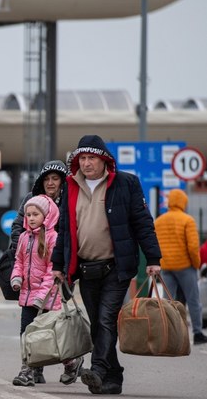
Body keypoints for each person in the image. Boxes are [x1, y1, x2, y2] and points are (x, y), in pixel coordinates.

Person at [51, 134, 161, 396]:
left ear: (104, 160)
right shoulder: (71, 186)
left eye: (92, 158)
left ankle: (98, 369)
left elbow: (143, 223)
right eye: (82, 158)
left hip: (116, 266)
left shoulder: (126, 184)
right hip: (87, 268)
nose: (87, 163)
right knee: (99, 324)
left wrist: (153, 259)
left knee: (106, 319)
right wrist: (58, 264)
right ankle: (113, 377)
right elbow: (63, 229)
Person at [5, 160, 78, 384]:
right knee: (29, 328)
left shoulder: (69, 201)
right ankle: (32, 369)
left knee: (55, 326)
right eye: (46, 179)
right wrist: (25, 245)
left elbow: (74, 232)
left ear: (63, 181)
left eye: (55, 178)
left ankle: (70, 362)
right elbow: (18, 227)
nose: (50, 183)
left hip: (57, 274)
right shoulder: (31, 201)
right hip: (30, 277)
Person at [154, 188, 207, 344]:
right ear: (183, 202)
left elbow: (154, 244)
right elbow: (192, 247)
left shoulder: (158, 221)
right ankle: (197, 334)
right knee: (193, 300)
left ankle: (167, 335)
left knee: (167, 302)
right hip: (185, 266)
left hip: (166, 266)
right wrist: (196, 264)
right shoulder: (187, 220)